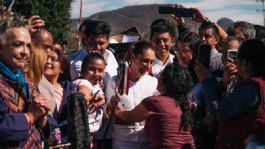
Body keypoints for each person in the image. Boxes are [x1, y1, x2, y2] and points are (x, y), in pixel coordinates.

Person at [194, 39, 265, 149]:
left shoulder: (251, 87)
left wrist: (206, 81)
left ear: (245, 64)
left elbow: (218, 112)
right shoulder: (254, 83)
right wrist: (223, 83)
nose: (234, 62)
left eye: (238, 60)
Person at [114, 63, 195, 149]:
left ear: (165, 81)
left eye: (161, 74)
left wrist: (116, 111)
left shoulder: (155, 102)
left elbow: (130, 117)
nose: (158, 77)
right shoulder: (186, 103)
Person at [0, 13, 51, 148]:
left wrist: (43, 115)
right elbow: (3, 128)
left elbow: (50, 131)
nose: (25, 52)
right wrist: (31, 116)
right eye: (18, 45)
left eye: (28, 46)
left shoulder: (27, 82)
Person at [106, 41, 157, 149]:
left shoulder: (153, 83)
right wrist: (111, 105)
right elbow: (109, 114)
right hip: (123, 139)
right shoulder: (115, 81)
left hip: (147, 137)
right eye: (145, 61)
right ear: (133, 57)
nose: (148, 66)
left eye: (151, 62)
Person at [71, 52, 106, 148]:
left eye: (100, 70)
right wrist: (88, 98)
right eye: (92, 69)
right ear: (82, 70)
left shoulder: (95, 85)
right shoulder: (84, 82)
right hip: (82, 139)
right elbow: (83, 95)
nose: (96, 74)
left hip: (90, 137)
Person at [43, 48, 71, 146]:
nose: (47, 61)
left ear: (62, 68)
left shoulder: (69, 88)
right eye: (45, 58)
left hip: (67, 143)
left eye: (53, 59)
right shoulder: (34, 88)